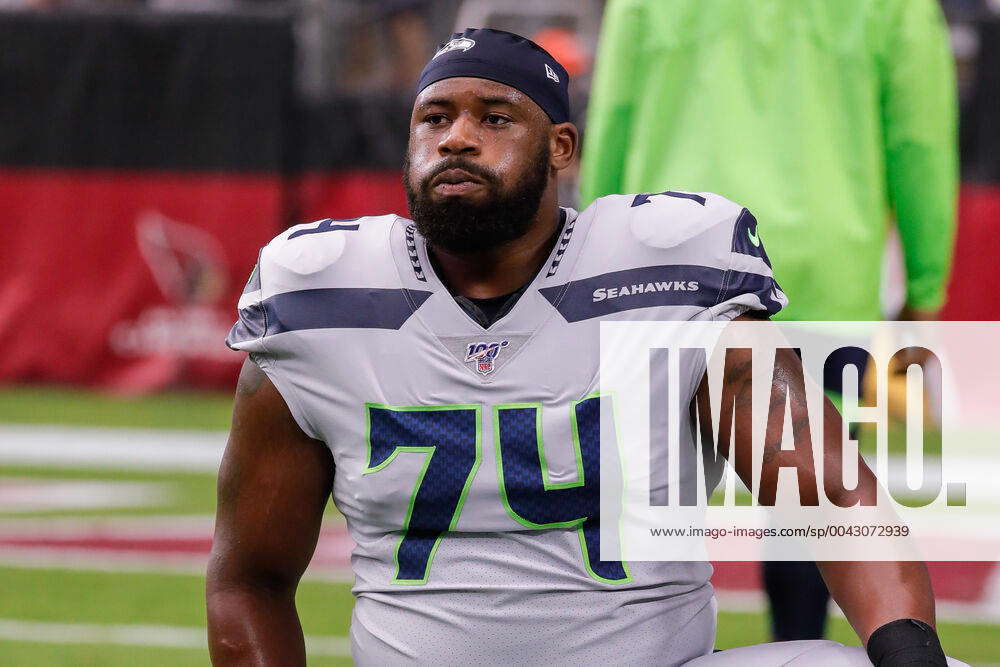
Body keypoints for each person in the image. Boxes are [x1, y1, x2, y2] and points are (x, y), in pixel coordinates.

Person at [206, 28, 953, 666]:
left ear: (562, 147)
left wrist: (908, 652)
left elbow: (825, 489)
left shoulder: (668, 272)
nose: (457, 136)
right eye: (434, 118)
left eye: (495, 117)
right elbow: (248, 579)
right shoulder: (318, 298)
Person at [579, 0, 958, 642]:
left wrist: (586, 266)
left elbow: (611, 118)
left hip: (663, 262)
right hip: (822, 270)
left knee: (648, 486)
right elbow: (919, 141)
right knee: (812, 490)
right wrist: (924, 291)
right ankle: (798, 647)